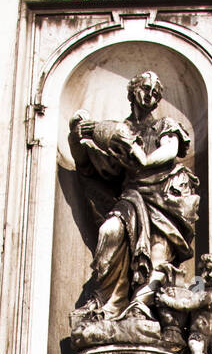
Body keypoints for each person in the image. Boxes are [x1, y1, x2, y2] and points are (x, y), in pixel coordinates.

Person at [68, 70, 199, 321]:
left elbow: (170, 150)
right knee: (110, 231)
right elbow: (94, 166)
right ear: (132, 91)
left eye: (155, 92)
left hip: (163, 199)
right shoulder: (120, 131)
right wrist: (77, 137)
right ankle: (107, 304)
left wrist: (143, 160)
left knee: (159, 254)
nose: (150, 95)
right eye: (145, 88)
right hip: (132, 198)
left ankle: (139, 308)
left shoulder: (164, 125)